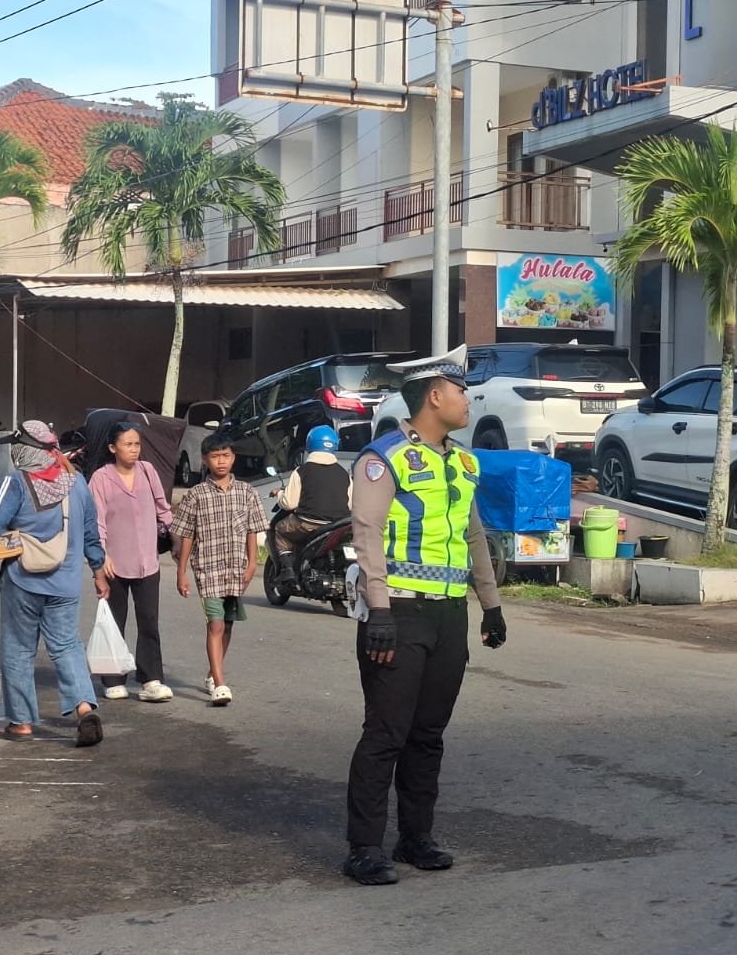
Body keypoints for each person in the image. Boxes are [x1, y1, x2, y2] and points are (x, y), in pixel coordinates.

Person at [342, 345, 507, 886]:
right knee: (386, 733)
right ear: (435, 395)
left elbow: (474, 535)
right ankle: (365, 847)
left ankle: (416, 837)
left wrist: (492, 606)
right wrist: (380, 611)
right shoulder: (382, 457)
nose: (468, 400)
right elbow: (366, 534)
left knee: (428, 734)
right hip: (398, 616)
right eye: (461, 391)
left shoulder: (464, 460)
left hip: (447, 617)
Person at [0, 420, 109, 746]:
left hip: (23, 582)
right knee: (67, 646)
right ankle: (83, 708)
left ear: (23, 450)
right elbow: (91, 532)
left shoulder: (18, 482)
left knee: (19, 649)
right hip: (65, 584)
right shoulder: (76, 482)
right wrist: (98, 570)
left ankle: (20, 722)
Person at [170, 433, 268, 706]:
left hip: (236, 570)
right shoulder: (196, 495)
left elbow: (252, 530)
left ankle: (214, 672)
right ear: (205, 460)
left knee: (227, 624)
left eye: (225, 455)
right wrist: (182, 572)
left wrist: (252, 564)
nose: (221, 461)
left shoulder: (246, 492)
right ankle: (221, 684)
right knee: (214, 623)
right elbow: (186, 535)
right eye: (215, 456)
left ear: (233, 458)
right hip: (208, 570)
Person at [88, 421, 174, 703]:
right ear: (113, 448)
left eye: (137, 444)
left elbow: (164, 509)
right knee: (115, 620)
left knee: (149, 621)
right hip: (115, 563)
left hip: (147, 562)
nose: (134, 449)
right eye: (128, 444)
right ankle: (112, 679)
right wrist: (101, 558)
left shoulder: (148, 472)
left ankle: (151, 678)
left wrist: (179, 539)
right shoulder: (100, 479)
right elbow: (96, 522)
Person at [271, 424, 350, 571]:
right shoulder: (343, 473)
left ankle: (288, 570)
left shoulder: (301, 471)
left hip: (307, 524)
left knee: (279, 529)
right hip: (338, 526)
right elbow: (351, 503)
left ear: (309, 444)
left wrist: (279, 494)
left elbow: (289, 503)